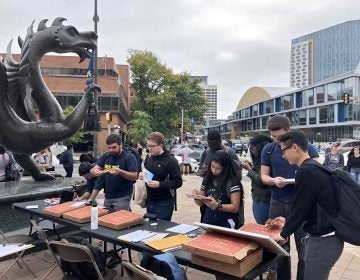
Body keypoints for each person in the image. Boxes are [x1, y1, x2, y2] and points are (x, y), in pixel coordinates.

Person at [272, 129, 344, 280]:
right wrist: (288, 221)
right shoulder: (312, 167)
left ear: (295, 147)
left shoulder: (306, 171)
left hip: (324, 242)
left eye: (283, 150)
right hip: (327, 239)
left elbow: (299, 208)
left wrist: (283, 234)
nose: (283, 155)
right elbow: (309, 206)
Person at [260, 114, 319, 280]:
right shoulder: (269, 149)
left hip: (301, 204)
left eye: (280, 137)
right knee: (279, 248)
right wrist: (274, 180)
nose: (277, 141)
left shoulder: (304, 146)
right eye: (273, 137)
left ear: (289, 130)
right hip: (277, 201)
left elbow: (315, 171)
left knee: (304, 249)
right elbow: (263, 175)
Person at [197, 130, 243, 225]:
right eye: (210, 145)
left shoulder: (230, 153)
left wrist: (224, 180)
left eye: (214, 145)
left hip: (226, 196)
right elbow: (200, 170)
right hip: (210, 193)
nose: (212, 148)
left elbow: (238, 175)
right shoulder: (207, 152)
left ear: (219, 141)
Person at [192, 151, 243, 229]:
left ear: (225, 168)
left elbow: (235, 208)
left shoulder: (232, 183)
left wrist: (217, 205)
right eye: (212, 167)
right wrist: (196, 197)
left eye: (218, 168)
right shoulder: (207, 179)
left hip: (226, 223)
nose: (214, 171)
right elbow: (200, 203)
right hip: (208, 221)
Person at [139, 132, 182, 221]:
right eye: (148, 146)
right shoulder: (150, 158)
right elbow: (149, 175)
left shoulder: (171, 160)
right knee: (150, 228)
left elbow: (178, 182)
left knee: (161, 230)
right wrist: (142, 175)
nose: (149, 149)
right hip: (150, 200)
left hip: (164, 202)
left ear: (161, 145)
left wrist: (159, 184)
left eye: (152, 146)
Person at [90, 134, 138, 211]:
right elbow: (92, 171)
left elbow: (134, 176)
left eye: (114, 147)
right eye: (109, 148)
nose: (111, 150)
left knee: (119, 219)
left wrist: (120, 172)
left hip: (123, 195)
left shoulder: (129, 157)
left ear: (120, 145)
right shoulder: (106, 156)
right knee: (108, 217)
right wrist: (95, 172)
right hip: (108, 195)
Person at [242, 135, 272, 225]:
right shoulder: (260, 159)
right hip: (258, 198)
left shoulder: (268, 159)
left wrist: (249, 170)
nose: (251, 151)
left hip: (264, 199)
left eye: (253, 149)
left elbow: (262, 180)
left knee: (264, 228)